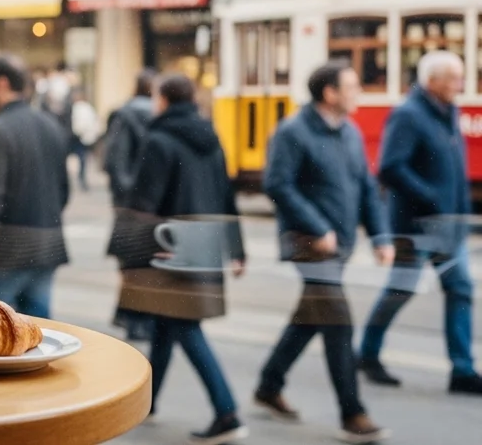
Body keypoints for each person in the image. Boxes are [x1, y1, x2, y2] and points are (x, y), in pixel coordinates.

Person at [256, 62, 394, 443]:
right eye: (352, 87)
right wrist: (317, 228)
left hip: (339, 245)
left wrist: (380, 237)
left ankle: (269, 384)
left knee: (311, 316)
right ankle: (353, 413)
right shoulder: (293, 131)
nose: (358, 93)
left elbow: (366, 188)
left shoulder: (349, 131)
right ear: (329, 93)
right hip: (308, 243)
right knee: (338, 322)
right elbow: (278, 185)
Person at [122, 73, 248, 445]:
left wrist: (131, 253)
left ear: (163, 100)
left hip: (170, 248)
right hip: (204, 244)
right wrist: (237, 249)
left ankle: (227, 413)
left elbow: (144, 205)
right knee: (166, 325)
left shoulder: (158, 139)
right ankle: (147, 403)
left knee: (185, 327)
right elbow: (226, 196)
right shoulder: (211, 138)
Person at [359, 51, 482, 395]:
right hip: (416, 226)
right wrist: (431, 197)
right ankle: (367, 352)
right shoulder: (408, 115)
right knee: (401, 290)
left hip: (448, 226)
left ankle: (462, 370)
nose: (460, 84)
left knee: (460, 289)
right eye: (453, 78)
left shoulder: (448, 111)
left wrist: (458, 208)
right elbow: (390, 167)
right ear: (432, 81)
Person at [0, 56, 72, 319]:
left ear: (1, 83)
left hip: (2, 252)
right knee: (35, 332)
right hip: (46, 246)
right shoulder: (51, 126)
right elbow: (63, 191)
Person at [103, 68, 158, 342]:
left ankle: (131, 317)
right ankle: (134, 315)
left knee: (132, 262)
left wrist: (125, 196)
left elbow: (114, 160)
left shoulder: (125, 115)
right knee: (147, 262)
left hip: (131, 205)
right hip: (154, 202)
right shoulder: (159, 116)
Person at [69, 88, 100, 192]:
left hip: (80, 137)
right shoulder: (86, 108)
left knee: (81, 159)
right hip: (83, 137)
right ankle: (81, 179)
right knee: (82, 159)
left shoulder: (80, 108)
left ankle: (81, 179)